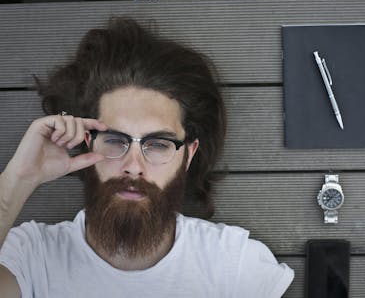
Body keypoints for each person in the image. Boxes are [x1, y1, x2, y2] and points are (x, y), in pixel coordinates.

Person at [0, 17, 294, 297]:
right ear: (88, 144)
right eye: (115, 140)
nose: (133, 167)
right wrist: (17, 180)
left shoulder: (236, 263)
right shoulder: (29, 256)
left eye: (158, 144)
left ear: (188, 155)